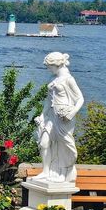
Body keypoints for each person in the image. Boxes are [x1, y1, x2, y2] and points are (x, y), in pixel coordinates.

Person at [33, 52, 84, 185]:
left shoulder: (68, 79)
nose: (48, 69)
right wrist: (42, 115)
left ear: (57, 65)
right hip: (51, 115)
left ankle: (63, 172)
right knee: (44, 143)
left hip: (64, 117)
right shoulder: (53, 79)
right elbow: (48, 100)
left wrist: (72, 112)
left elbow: (80, 98)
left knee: (63, 145)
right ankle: (46, 171)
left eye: (49, 66)